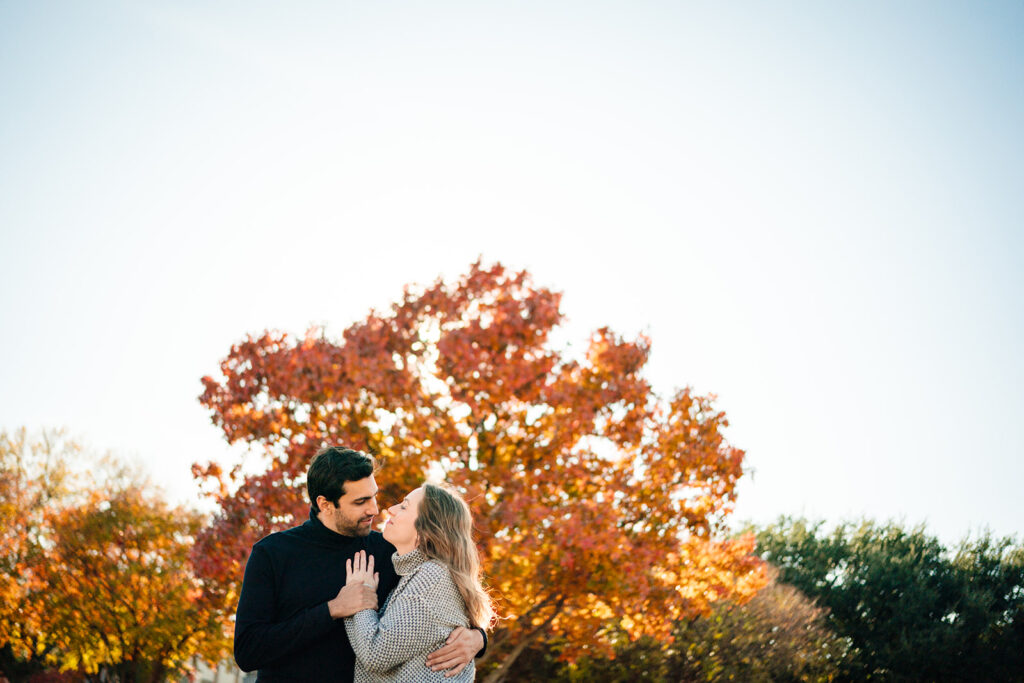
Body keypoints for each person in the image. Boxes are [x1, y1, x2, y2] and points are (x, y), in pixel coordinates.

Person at [233, 446, 485, 681]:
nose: (375, 509)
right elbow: (248, 651)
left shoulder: (391, 550)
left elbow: (451, 600)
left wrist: (478, 639)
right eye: (360, 502)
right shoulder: (273, 553)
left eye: (373, 496)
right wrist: (332, 609)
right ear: (325, 504)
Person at [344, 483, 495, 683]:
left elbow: (376, 655)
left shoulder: (432, 577)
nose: (391, 509)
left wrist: (361, 598)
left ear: (426, 530)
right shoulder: (418, 573)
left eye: (404, 506)